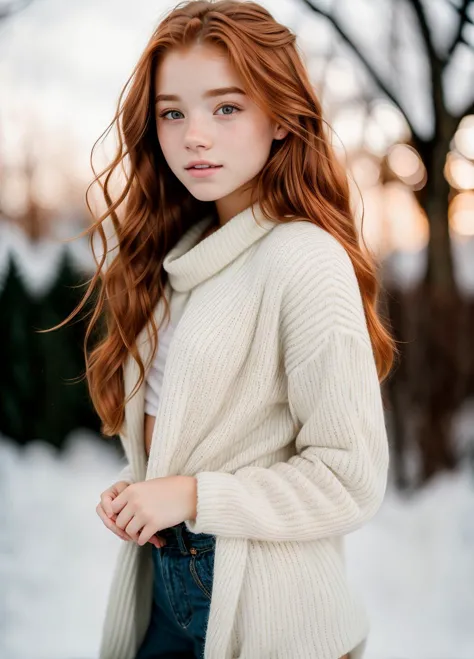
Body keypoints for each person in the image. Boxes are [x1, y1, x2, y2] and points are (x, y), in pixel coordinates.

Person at [59, 1, 396, 657]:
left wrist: (188, 493)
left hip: (267, 614)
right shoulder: (179, 254)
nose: (194, 136)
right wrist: (146, 492)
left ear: (279, 117)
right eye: (172, 112)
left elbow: (351, 476)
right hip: (163, 592)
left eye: (227, 107)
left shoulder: (305, 259)